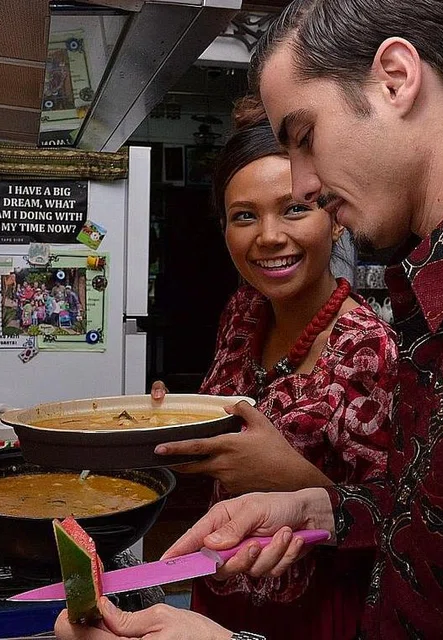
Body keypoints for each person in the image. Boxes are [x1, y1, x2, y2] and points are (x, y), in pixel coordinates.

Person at [55, 0, 443, 638]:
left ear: (396, 77)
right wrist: (321, 505)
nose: (306, 185)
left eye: (304, 137)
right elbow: (441, 525)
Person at [150, 106, 398, 639]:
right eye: (244, 216)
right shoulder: (244, 312)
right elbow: (234, 417)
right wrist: (178, 417)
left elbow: (401, 527)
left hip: (315, 613)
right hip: (218, 585)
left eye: (294, 210)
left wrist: (288, 476)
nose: (268, 236)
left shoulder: (370, 351)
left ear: (335, 219)